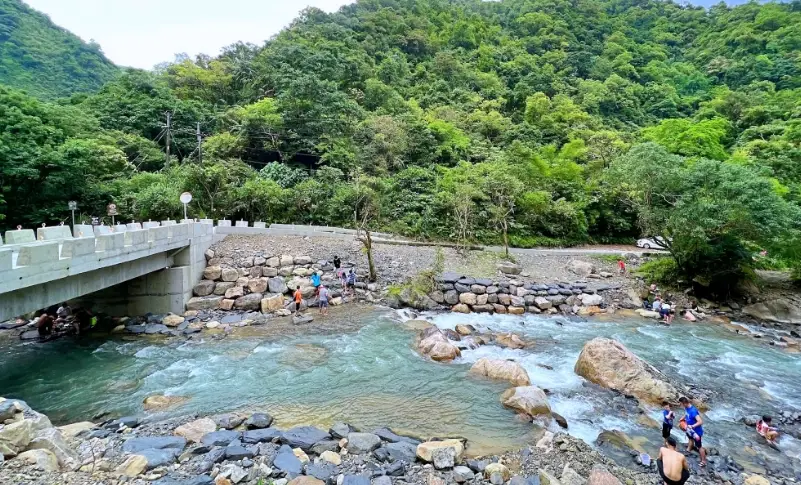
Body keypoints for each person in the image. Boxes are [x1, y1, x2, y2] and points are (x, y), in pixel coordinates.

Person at [680, 396, 707, 467]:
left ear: (685, 403)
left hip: (696, 432)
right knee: (690, 439)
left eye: (681, 404)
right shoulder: (686, 408)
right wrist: (682, 418)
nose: (681, 406)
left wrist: (692, 426)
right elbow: (686, 414)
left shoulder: (693, 411)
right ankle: (688, 450)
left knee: (699, 447)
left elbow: (700, 421)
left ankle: (703, 461)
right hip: (689, 429)